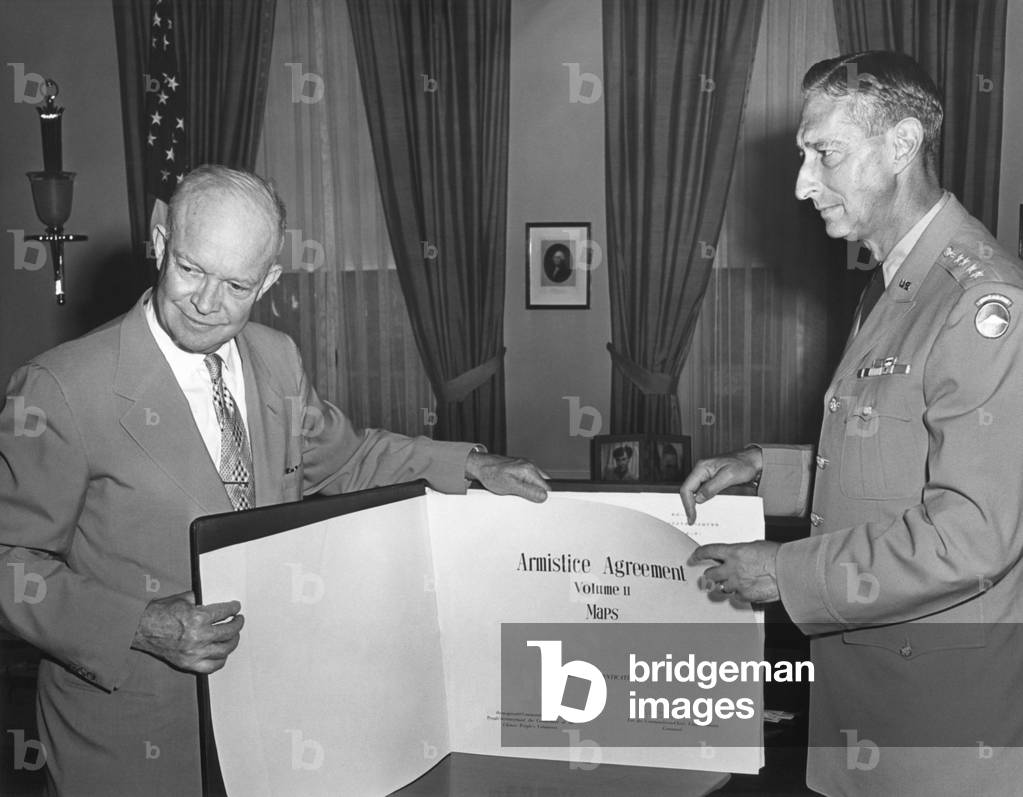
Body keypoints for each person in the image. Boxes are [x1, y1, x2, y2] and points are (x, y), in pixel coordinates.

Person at [0, 165, 549, 796]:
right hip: (130, 741)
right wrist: (140, 623)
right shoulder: (60, 387)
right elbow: (13, 563)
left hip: (270, 726)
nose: (207, 303)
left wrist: (471, 464)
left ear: (269, 280)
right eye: (189, 268)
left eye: (236, 284)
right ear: (158, 239)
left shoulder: (276, 358)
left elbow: (348, 459)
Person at [681, 51, 1023, 796]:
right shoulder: (895, 280)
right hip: (871, 692)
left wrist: (780, 570)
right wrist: (762, 467)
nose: (803, 184)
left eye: (823, 154)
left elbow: (971, 534)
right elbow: (897, 454)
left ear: (900, 145)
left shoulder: (980, 300)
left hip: (937, 719)